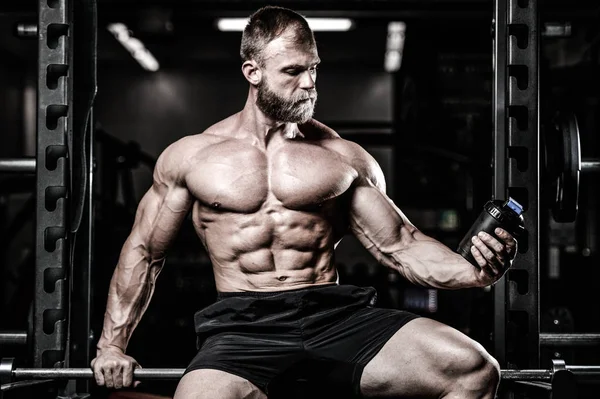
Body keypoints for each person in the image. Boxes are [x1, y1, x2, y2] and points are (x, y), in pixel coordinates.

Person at [91, 6, 517, 399]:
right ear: (252, 71)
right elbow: (145, 253)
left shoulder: (342, 158)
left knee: (473, 369)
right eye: (293, 71)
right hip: (242, 328)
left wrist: (472, 273)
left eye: (314, 68)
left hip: (334, 317)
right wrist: (112, 346)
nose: (310, 83)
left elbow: (401, 245)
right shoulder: (192, 157)